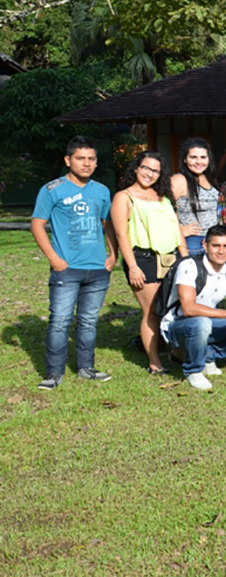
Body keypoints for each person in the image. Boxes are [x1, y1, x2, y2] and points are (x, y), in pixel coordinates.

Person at [32, 136, 118, 390]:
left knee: (89, 321)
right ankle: (53, 373)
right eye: (81, 158)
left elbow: (108, 224)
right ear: (68, 160)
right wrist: (54, 259)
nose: (86, 163)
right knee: (60, 320)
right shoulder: (52, 189)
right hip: (66, 269)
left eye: (91, 159)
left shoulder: (101, 191)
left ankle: (86, 368)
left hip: (97, 269)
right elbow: (37, 225)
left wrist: (113, 255)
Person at [112, 150, 186, 376]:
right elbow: (121, 235)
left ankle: (176, 352)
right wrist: (132, 266)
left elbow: (177, 228)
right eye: (145, 168)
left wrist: (185, 257)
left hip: (171, 258)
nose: (149, 174)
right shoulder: (124, 197)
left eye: (155, 171)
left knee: (173, 308)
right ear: (136, 168)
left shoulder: (163, 197)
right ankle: (155, 362)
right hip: (143, 259)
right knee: (152, 312)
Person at [159, 225, 226, 391]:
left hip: (209, 322)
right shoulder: (189, 266)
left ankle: (207, 357)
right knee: (201, 323)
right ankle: (193, 369)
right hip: (178, 325)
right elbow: (188, 308)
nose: (221, 251)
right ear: (205, 245)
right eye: (216, 246)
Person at [171, 137, 220, 255]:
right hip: (192, 243)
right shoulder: (179, 180)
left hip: (212, 241)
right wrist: (180, 230)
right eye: (193, 157)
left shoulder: (210, 179)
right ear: (184, 159)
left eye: (203, 157)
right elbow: (161, 210)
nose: (199, 162)